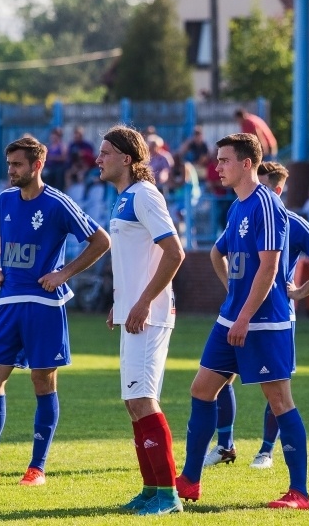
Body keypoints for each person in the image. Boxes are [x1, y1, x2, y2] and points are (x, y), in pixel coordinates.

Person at [0, 136, 111, 487]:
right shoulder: (4, 200)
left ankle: (37, 468)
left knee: (42, 381)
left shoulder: (57, 203)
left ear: (37, 166)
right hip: (8, 305)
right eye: (9, 165)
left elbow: (101, 240)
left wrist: (64, 274)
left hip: (45, 307)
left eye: (17, 165)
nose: (11, 171)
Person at [175, 133, 309, 510]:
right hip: (231, 319)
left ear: (247, 163)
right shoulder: (236, 206)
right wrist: (234, 302)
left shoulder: (267, 205)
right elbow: (222, 258)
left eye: (224, 160)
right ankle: (189, 480)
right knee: (202, 389)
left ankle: (298, 492)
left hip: (263, 323)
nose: (216, 166)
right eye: (217, 160)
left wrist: (246, 315)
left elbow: (270, 267)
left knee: (280, 401)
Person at [203, 161, 309, 471]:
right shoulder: (240, 209)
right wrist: (233, 290)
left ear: (277, 190)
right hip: (240, 313)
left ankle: (266, 451)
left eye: (263, 186)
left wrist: (302, 291)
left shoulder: (293, 223)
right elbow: (216, 252)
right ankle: (225, 445)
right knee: (219, 378)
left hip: (276, 317)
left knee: (276, 387)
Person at [97, 125, 186, 515]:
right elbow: (135, 259)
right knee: (133, 403)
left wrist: (144, 302)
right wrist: (122, 301)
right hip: (133, 314)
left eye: (105, 153)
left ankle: (168, 496)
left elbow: (175, 252)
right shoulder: (123, 199)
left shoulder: (145, 195)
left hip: (149, 316)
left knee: (143, 400)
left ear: (127, 158)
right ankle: (151, 490)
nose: (98, 159)